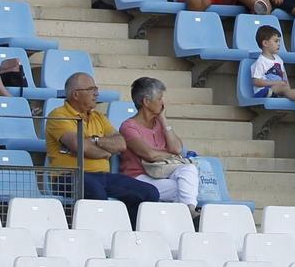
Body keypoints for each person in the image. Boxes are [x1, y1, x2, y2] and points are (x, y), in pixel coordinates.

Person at [45, 71, 159, 223]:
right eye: (91, 89)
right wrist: (105, 152)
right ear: (76, 94)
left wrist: (94, 140)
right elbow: (80, 145)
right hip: (68, 177)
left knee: (149, 192)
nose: (96, 94)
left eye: (96, 89)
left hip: (103, 176)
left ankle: (131, 233)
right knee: (96, 192)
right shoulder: (58, 115)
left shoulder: (99, 117)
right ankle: (97, 232)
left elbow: (121, 144)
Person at [119, 77, 199, 208]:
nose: (163, 103)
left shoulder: (160, 124)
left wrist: (164, 121)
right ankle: (190, 213)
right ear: (146, 101)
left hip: (164, 172)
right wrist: (172, 156)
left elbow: (177, 149)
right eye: (159, 98)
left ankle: (190, 210)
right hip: (139, 177)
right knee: (182, 189)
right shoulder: (128, 127)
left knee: (189, 169)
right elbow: (150, 155)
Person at [250, 25, 295, 108]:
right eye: (276, 41)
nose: (279, 44)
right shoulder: (261, 61)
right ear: (265, 43)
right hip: (262, 91)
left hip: (278, 89)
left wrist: (288, 90)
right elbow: (256, 81)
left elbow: (284, 77)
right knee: (284, 90)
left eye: (279, 41)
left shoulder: (278, 59)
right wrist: (276, 83)